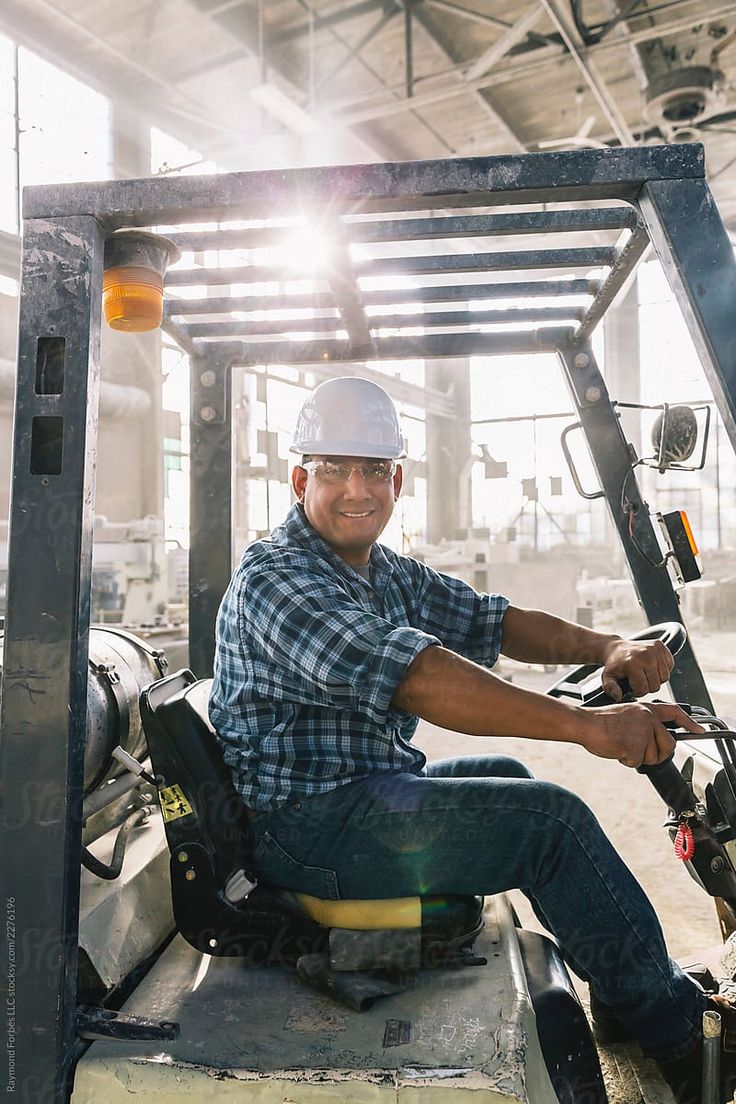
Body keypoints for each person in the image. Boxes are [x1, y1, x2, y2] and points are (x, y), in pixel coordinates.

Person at [210, 375, 733, 1103]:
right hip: (306, 827)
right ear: (301, 480)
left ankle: (623, 994)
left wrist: (609, 644)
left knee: (517, 778)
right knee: (549, 822)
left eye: (372, 471)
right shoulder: (280, 580)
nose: (356, 489)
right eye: (335, 470)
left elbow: (493, 621)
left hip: (361, 795)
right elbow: (420, 678)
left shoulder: (381, 571)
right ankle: (684, 1044)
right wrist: (587, 727)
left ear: (397, 480)